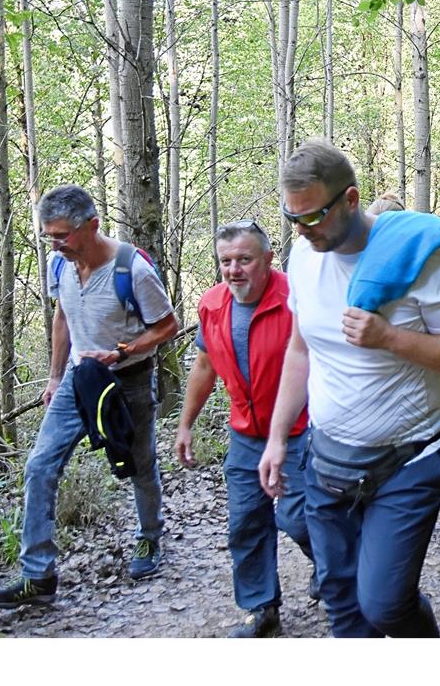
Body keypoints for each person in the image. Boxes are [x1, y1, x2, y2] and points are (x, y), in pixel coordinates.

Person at [259, 139, 440, 638]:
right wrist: (277, 438)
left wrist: (390, 338)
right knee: (341, 605)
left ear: (351, 199)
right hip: (326, 460)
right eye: (292, 217)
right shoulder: (301, 256)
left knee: (383, 605)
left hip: (407, 460)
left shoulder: (420, 260)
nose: (301, 229)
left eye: (313, 216)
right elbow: (300, 350)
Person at [0, 185, 177, 609]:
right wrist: (53, 378)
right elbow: (63, 316)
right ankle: (38, 575)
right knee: (39, 465)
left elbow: (167, 326)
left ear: (92, 225)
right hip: (76, 382)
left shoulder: (132, 269)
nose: (55, 243)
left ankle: (149, 540)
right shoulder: (59, 265)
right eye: (49, 235)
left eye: (63, 234)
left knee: (139, 464)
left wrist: (122, 351)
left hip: (130, 380)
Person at [174, 219, 316, 638]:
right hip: (247, 433)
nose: (234, 270)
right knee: (246, 522)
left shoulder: (297, 297)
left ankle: (333, 569)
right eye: (226, 261)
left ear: (268, 260)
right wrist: (186, 424)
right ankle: (261, 608)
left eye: (244, 260)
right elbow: (204, 365)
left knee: (300, 518)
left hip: (301, 429)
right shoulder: (213, 304)